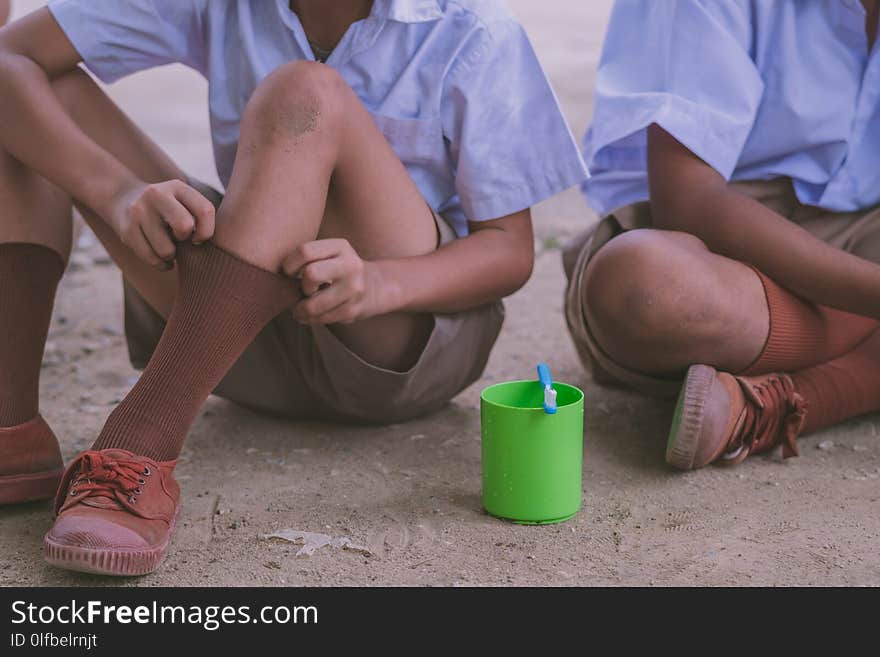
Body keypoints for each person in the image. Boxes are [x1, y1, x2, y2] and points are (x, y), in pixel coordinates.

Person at [0, 0, 586, 575]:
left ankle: (138, 444)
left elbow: (509, 248)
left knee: (307, 94)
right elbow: (9, 58)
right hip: (238, 341)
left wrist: (381, 283)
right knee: (35, 94)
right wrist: (117, 192)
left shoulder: (472, 32)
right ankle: (11, 430)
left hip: (388, 345)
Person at [564, 0, 880, 470]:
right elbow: (690, 202)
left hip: (866, 228)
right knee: (641, 286)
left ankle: (776, 402)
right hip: (721, 246)